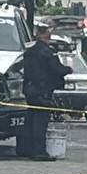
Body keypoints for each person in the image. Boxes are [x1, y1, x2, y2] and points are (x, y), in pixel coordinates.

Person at [22, 24, 71, 161]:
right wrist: (68, 69)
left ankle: (28, 150)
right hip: (42, 90)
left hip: (29, 89)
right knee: (41, 122)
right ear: (47, 37)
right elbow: (57, 69)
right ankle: (40, 152)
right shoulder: (47, 52)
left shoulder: (29, 52)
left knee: (31, 120)